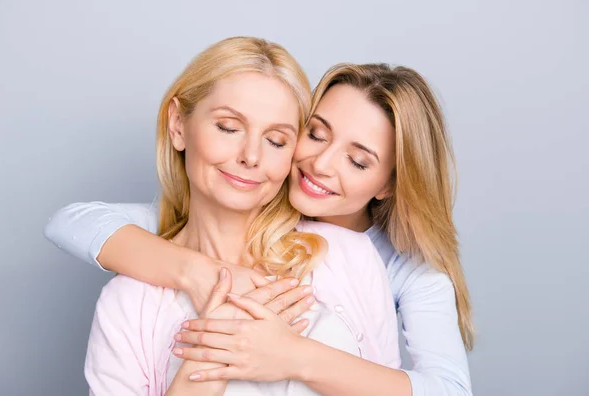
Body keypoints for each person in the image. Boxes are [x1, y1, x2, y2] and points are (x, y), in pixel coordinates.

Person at [45, 47, 473, 395]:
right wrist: (206, 278)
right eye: (317, 134)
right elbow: (73, 222)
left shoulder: (371, 262)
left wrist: (293, 356)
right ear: (178, 125)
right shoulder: (138, 279)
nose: (320, 163)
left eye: (274, 139)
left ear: (388, 186)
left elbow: (448, 389)